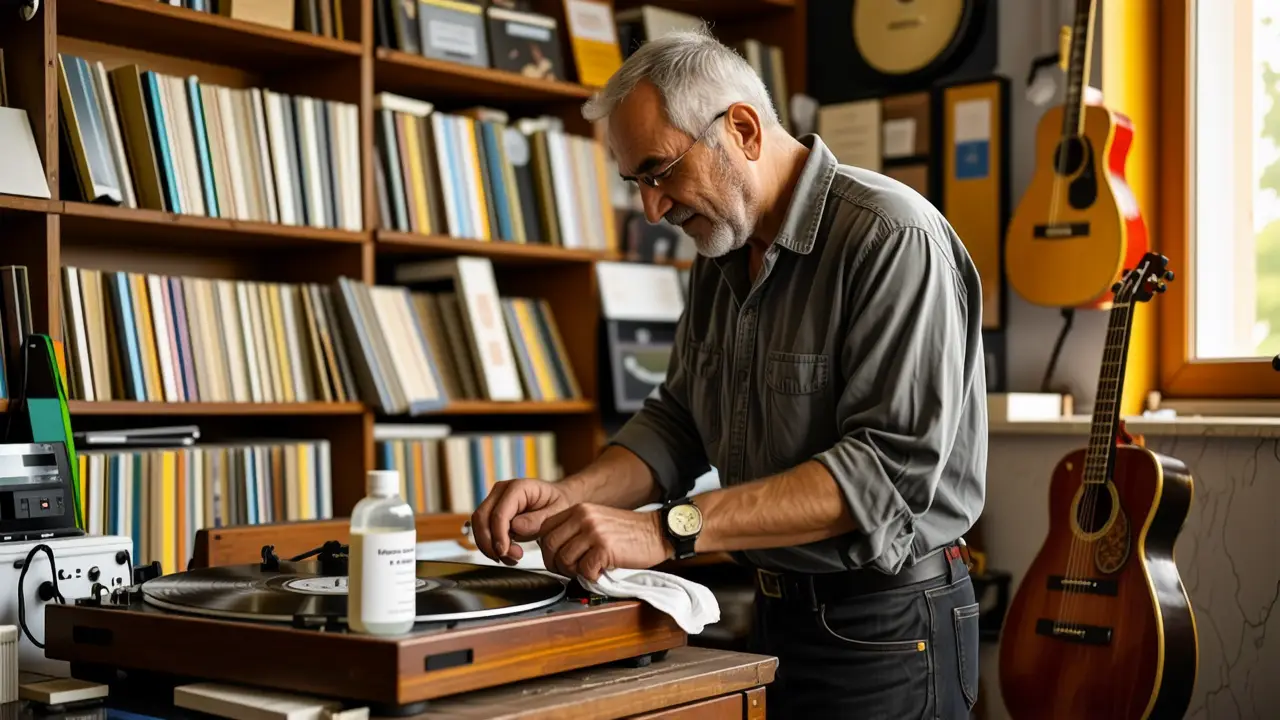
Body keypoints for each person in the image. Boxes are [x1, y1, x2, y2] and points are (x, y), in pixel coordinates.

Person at [470, 26, 988, 719]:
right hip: (773, 616)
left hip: (888, 628)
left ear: (742, 129)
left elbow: (882, 474)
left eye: (659, 171)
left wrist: (662, 531)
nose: (652, 209)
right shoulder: (720, 254)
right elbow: (680, 420)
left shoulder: (892, 238)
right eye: (637, 184)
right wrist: (569, 496)